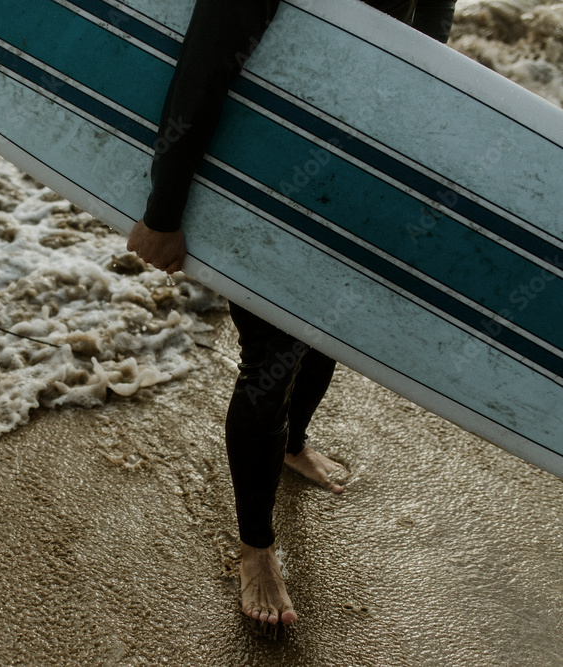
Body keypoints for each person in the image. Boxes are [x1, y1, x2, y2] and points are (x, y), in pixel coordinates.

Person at [127, 0, 457, 629]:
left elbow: (428, 50)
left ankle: (293, 443)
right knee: (271, 360)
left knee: (326, 332)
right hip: (261, 171)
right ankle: (256, 551)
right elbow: (204, 67)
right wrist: (165, 210)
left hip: (355, 171)